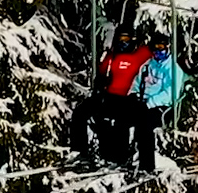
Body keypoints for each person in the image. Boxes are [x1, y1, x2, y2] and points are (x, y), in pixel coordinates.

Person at [71, 25, 152, 163]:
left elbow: (159, 52)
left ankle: (119, 157)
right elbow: (102, 74)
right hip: (107, 96)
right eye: (120, 38)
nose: (122, 42)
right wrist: (101, 81)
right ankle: (79, 151)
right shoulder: (111, 56)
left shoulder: (139, 55)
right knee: (81, 112)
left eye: (126, 39)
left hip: (126, 98)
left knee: (121, 122)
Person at [128, 32, 188, 173]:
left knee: (144, 124)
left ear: (167, 48)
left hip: (161, 107)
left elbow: (170, 94)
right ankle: (120, 155)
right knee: (122, 115)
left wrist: (150, 102)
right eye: (155, 49)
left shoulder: (173, 69)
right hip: (143, 101)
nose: (158, 52)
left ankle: (147, 165)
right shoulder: (149, 65)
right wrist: (133, 94)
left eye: (161, 48)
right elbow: (137, 82)